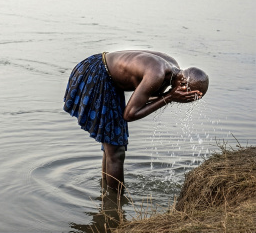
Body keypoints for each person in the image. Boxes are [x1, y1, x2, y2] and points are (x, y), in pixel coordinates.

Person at [63, 50, 209, 192]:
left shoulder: (171, 69)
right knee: (116, 151)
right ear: (183, 84)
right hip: (97, 75)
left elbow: (145, 98)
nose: (186, 100)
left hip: (102, 70)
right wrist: (169, 97)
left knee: (112, 147)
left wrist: (168, 96)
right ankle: (115, 204)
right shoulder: (157, 74)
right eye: (188, 96)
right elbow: (130, 114)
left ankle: (107, 192)